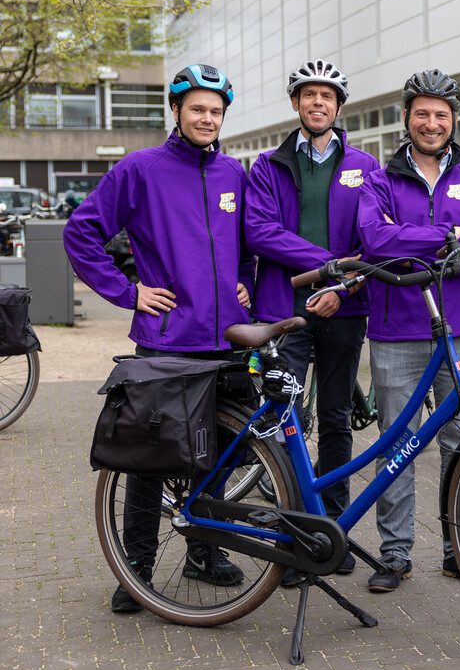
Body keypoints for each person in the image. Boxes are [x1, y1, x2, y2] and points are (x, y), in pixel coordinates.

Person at [64, 63, 254, 613]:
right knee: (149, 460)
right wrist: (128, 292)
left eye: (216, 111)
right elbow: (82, 232)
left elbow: (248, 246)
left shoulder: (235, 175)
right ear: (175, 110)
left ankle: (205, 553)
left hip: (226, 339)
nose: (207, 119)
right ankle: (137, 570)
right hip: (167, 340)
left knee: (216, 456)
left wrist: (244, 282)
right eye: (197, 108)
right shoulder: (139, 170)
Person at [356, 68, 460, 593]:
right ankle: (394, 555)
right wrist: (449, 235)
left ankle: (456, 551)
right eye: (422, 113)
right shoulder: (380, 180)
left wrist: (414, 239)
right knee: (395, 446)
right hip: (399, 332)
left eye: (441, 114)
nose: (432, 122)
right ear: (407, 118)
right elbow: (376, 240)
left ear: (453, 120)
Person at [245, 59, 379, 584]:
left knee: (338, 417)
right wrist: (323, 265)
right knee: (284, 418)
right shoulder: (267, 165)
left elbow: (372, 241)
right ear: (296, 104)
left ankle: (332, 530)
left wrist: (340, 285)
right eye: (308, 95)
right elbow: (259, 231)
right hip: (286, 309)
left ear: (338, 107)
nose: (317, 103)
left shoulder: (365, 166)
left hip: (344, 308)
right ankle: (294, 535)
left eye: (327, 96)